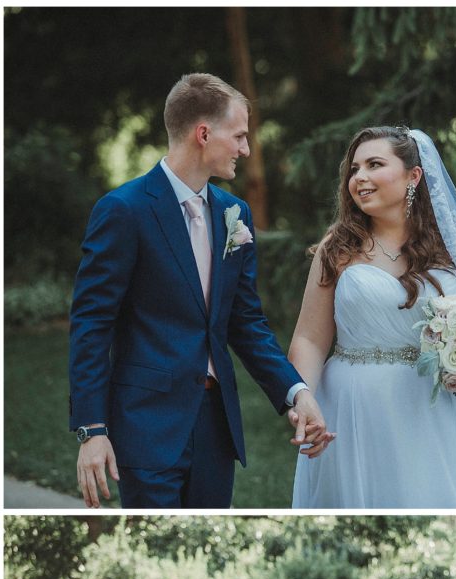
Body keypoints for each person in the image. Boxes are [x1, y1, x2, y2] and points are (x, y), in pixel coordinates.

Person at [69, 72, 333, 510]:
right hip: (146, 423)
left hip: (216, 427)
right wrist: (92, 430)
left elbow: (245, 323)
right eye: (240, 136)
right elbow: (91, 325)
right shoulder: (124, 210)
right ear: (203, 133)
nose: (246, 149)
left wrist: (296, 392)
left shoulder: (235, 213)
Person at [290, 125, 456, 510]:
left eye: (375, 165)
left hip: (430, 406)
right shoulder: (337, 248)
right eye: (354, 169)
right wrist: (303, 399)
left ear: (414, 176)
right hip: (351, 405)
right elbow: (309, 338)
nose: (360, 178)